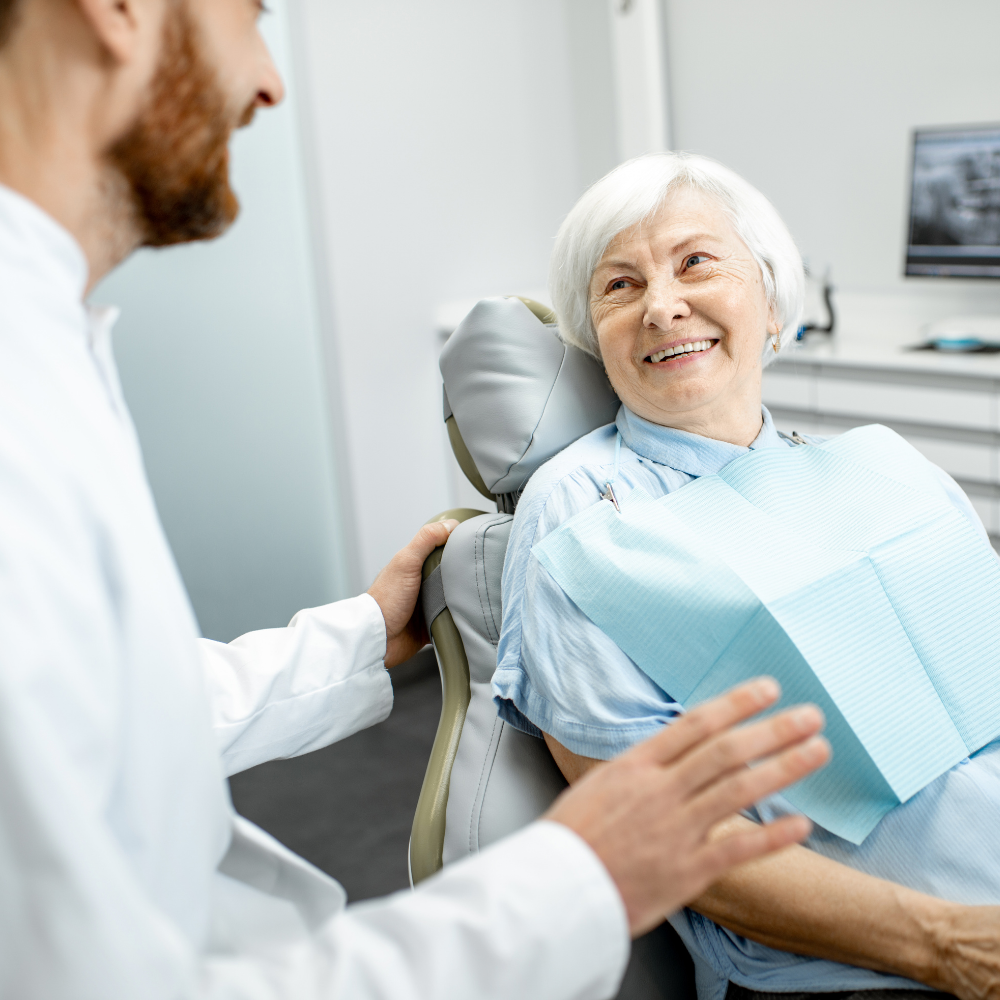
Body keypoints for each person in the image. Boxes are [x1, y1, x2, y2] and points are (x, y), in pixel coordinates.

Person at [0, 2, 833, 998]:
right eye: (251, 16)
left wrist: (357, 636)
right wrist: (575, 873)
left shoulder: (49, 342)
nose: (269, 79)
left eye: (699, 261)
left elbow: (99, 710)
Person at [493, 150, 1000, 1000]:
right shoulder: (588, 509)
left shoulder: (882, 467)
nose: (661, 306)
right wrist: (950, 944)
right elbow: (657, 833)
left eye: (695, 262)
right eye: (619, 287)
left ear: (771, 300)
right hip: (894, 957)